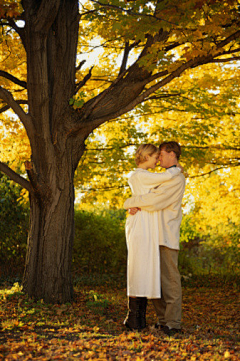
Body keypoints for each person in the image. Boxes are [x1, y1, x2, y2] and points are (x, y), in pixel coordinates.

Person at [124, 141, 185, 336]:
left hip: (165, 234)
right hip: (151, 234)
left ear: (172, 154)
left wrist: (130, 202)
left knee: (170, 281)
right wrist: (133, 206)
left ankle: (173, 324)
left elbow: (155, 200)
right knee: (156, 280)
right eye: (156, 156)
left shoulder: (176, 178)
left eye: (162, 155)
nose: (158, 158)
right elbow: (145, 188)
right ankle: (162, 321)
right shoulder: (159, 177)